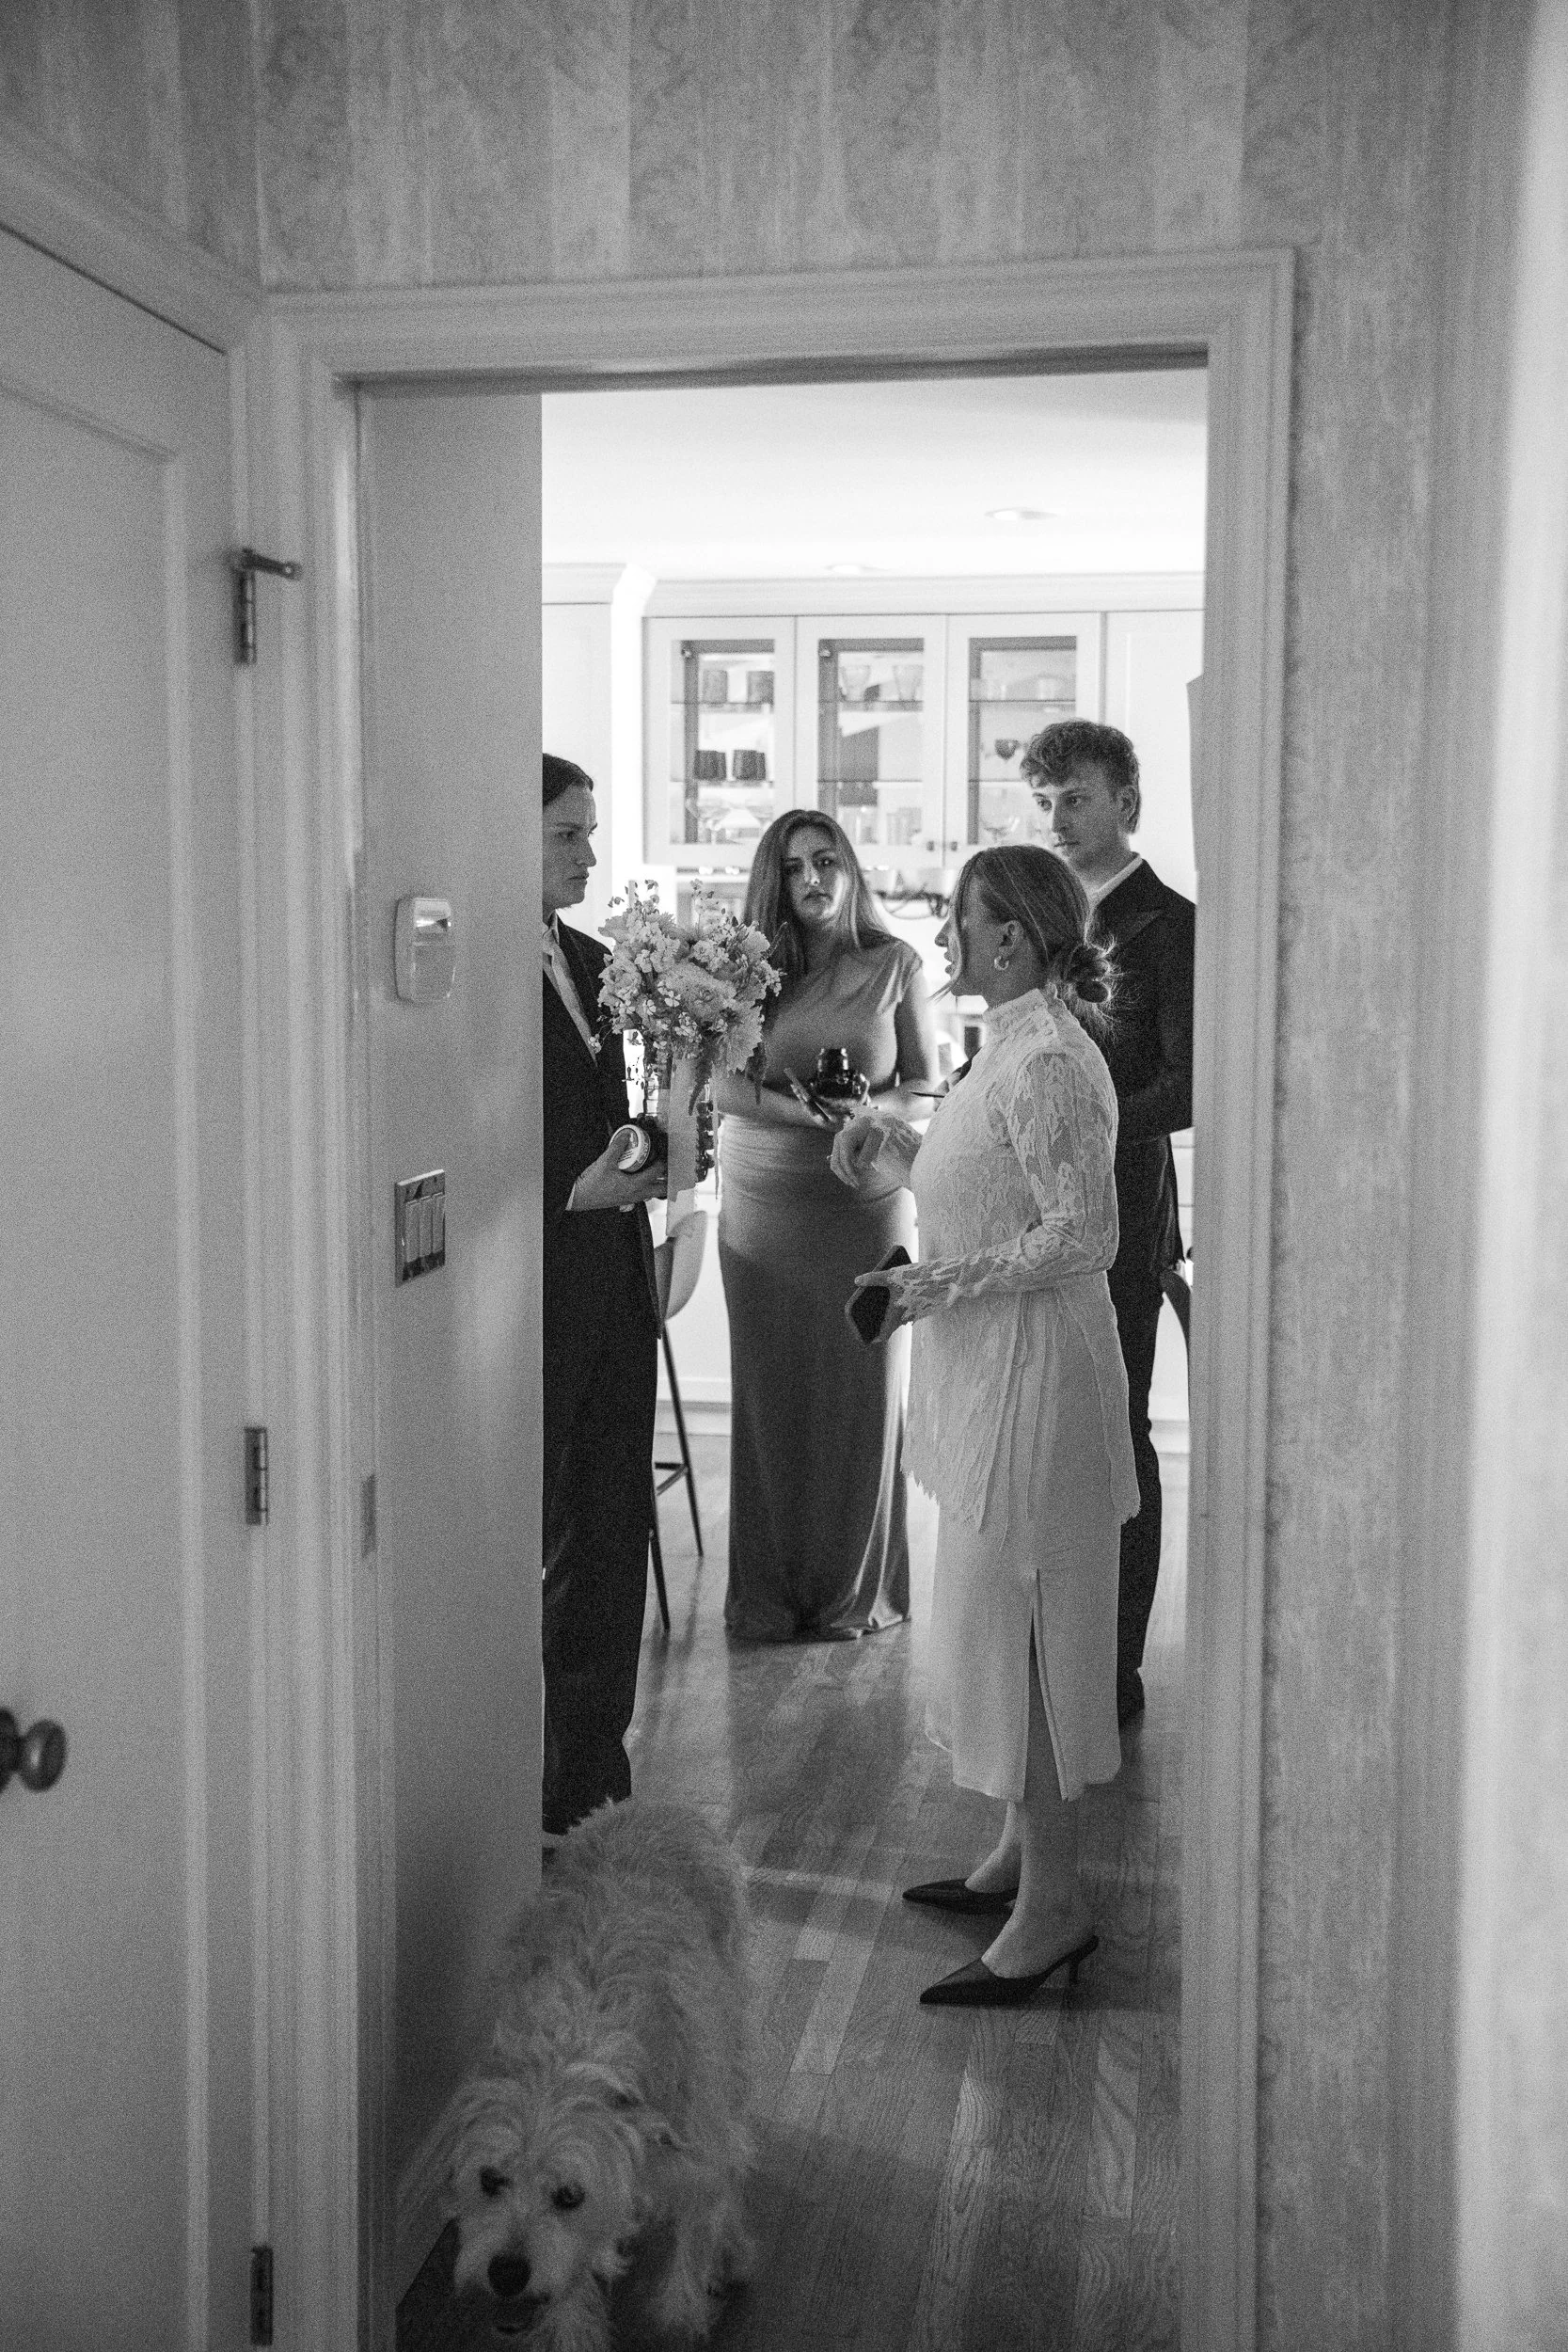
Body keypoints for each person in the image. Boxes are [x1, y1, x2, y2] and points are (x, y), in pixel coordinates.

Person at [832, 846, 1137, 2006]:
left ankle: (1053, 1906)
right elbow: (998, 1185)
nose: (947, 936)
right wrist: (902, 1149)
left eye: (960, 919)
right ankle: (1018, 1853)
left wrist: (931, 1286)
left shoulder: (1053, 1056)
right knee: (994, 1616)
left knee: (1029, 1630)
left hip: (1036, 1380)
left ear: (1007, 935)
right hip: (989, 1372)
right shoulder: (1007, 1043)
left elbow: (1082, 1233)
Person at [710, 809, 939, 1643]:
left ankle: (854, 1593)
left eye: (827, 862)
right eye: (795, 865)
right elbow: (720, 1086)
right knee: (769, 1399)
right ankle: (768, 1595)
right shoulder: (737, 970)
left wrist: (864, 1114)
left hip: (864, 1203)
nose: (812, 879)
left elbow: (925, 1084)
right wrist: (807, 1114)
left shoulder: (895, 964)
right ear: (773, 877)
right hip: (764, 1206)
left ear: (850, 870)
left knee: (862, 1393)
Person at [1022, 720, 1195, 1729]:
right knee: (1049, 1433)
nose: (1054, 817)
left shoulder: (1171, 925)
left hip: (1126, 1214)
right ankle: (1054, 1646)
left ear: (1125, 802)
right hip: (1034, 1211)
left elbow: (1187, 1083)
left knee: (1114, 1433)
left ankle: (1113, 1666)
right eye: (1043, 799)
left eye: (1073, 797)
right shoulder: (1038, 921)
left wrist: (1076, 1115)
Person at [540, 753, 666, 1835]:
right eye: (565, 834)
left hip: (616, 1275)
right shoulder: (467, 961)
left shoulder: (596, 960)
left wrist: (656, 1140)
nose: (587, 853)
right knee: (537, 1526)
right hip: (529, 1284)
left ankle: (593, 1758)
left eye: (588, 832)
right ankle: (524, 1760)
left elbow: (619, 1101)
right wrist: (560, 1191)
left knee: (614, 1518)